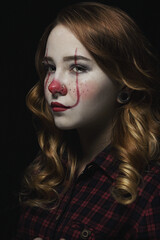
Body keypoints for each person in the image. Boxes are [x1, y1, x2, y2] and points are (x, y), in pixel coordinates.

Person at [14, 2, 160, 239]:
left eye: (78, 68)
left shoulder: (151, 191)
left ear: (124, 84)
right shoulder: (47, 169)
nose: (53, 85)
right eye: (50, 67)